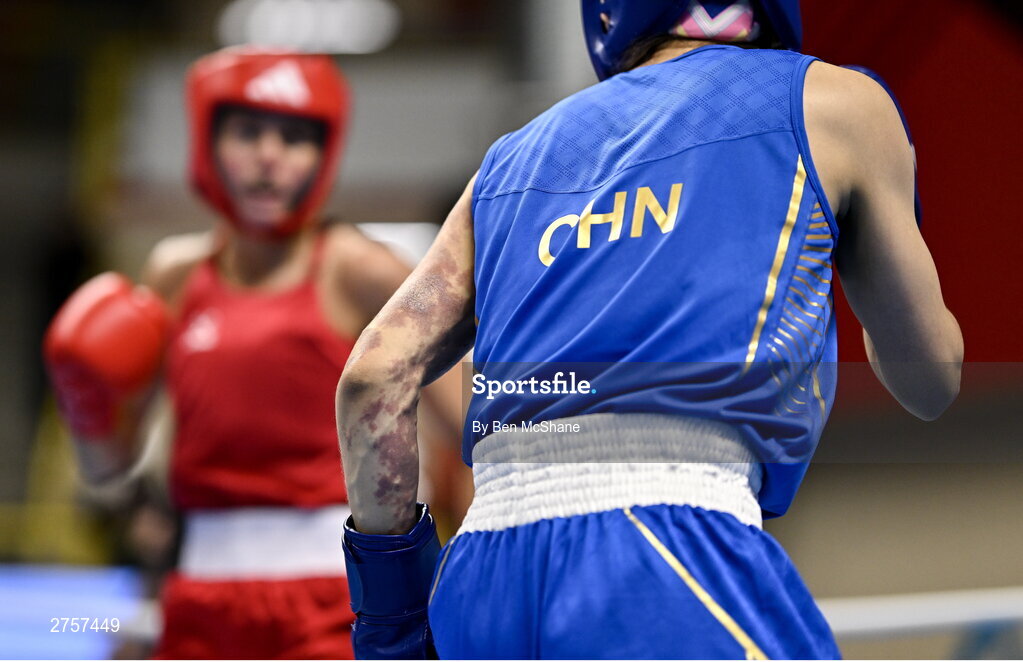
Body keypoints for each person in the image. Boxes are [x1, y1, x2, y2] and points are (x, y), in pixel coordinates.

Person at [336, 0, 964, 658]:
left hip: (479, 579)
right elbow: (929, 382)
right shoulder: (832, 100)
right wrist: (864, 225)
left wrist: (391, 615)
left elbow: (371, 378)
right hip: (661, 545)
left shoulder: (510, 159)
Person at [44, 47, 462, 659]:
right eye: (248, 132)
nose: (269, 156)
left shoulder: (359, 270)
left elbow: (481, 420)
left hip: (333, 596)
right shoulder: (176, 274)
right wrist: (90, 411)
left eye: (295, 138)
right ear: (208, 143)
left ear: (324, 154)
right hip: (198, 594)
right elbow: (111, 471)